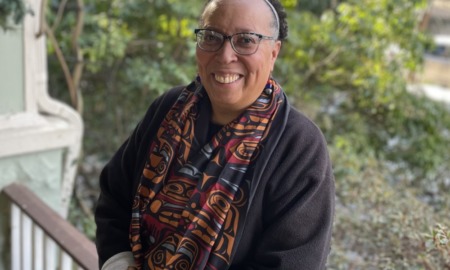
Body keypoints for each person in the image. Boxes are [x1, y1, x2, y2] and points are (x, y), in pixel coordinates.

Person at [94, 0, 335, 269]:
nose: (224, 55)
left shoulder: (299, 146)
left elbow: (293, 262)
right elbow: (114, 197)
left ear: (274, 52)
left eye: (245, 40)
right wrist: (118, 262)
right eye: (211, 37)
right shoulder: (168, 109)